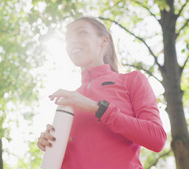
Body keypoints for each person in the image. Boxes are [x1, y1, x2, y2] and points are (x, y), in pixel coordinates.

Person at [37, 16, 167, 169]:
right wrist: (51, 143)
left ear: (104, 41)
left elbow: (157, 139)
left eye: (81, 33)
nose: (72, 41)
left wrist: (98, 108)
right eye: (68, 38)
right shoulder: (69, 101)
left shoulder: (132, 80)